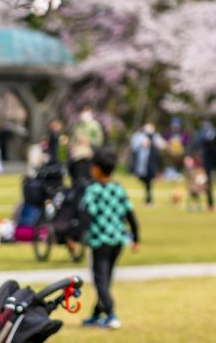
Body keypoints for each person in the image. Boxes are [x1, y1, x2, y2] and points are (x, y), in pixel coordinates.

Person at [80, 149, 139, 329]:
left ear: (97, 169)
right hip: (117, 241)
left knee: (100, 280)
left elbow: (86, 216)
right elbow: (130, 214)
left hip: (100, 241)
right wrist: (136, 237)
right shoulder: (118, 188)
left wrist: (78, 237)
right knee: (107, 278)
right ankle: (96, 313)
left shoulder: (93, 190)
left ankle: (111, 315)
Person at [67, 108, 104, 191]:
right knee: (76, 174)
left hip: (88, 155)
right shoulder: (77, 125)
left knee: (87, 176)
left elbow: (99, 141)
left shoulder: (95, 125)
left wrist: (89, 141)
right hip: (77, 155)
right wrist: (72, 145)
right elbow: (72, 139)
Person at [128, 125, 162, 205]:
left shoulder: (155, 137)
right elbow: (134, 146)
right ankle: (148, 198)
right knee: (145, 181)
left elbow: (161, 144)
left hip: (151, 164)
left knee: (149, 182)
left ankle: (149, 199)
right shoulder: (139, 136)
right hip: (142, 164)